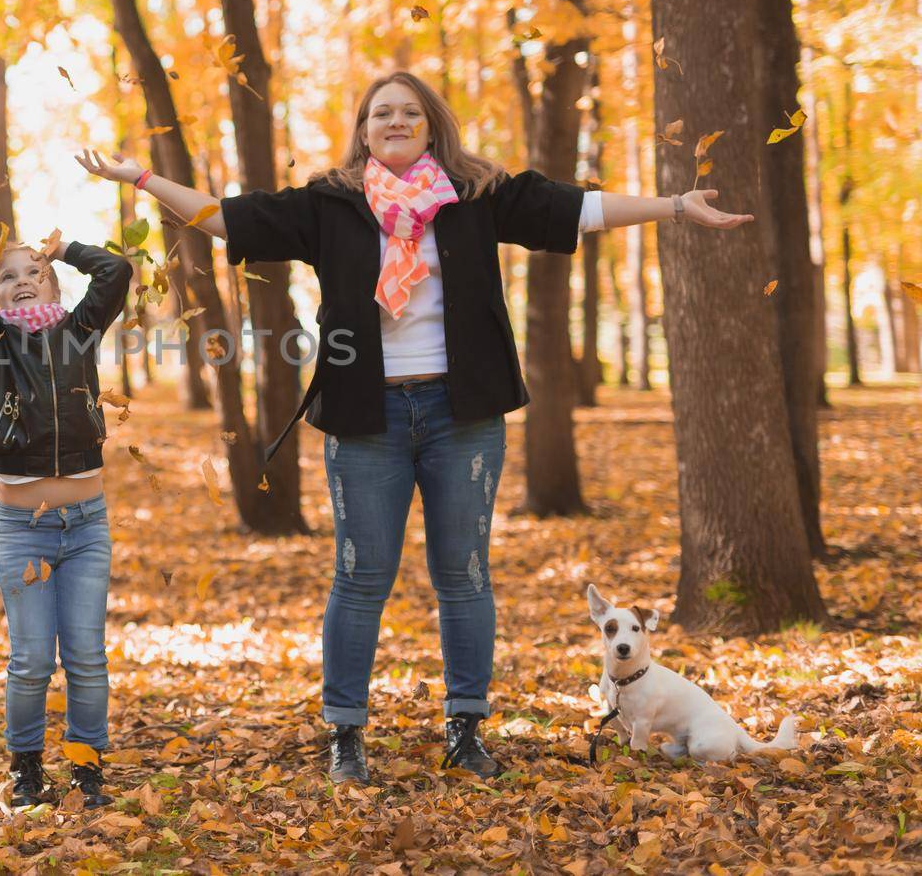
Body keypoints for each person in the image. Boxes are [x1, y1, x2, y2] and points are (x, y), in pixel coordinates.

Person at [74, 71, 751, 783]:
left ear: (431, 126)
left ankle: (465, 728)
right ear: (364, 129)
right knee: (359, 577)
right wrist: (143, 178)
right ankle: (346, 734)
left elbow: (579, 209)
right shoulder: (331, 204)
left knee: (463, 574)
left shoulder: (477, 195)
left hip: (463, 416)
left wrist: (675, 206)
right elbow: (226, 219)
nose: (395, 121)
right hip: (368, 418)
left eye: (409, 111)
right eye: (381, 112)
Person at [0, 226, 131, 807]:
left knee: (86, 657)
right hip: (22, 529)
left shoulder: (80, 332)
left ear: (53, 281)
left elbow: (116, 272)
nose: (23, 281)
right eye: (10, 276)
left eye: (35, 272)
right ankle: (26, 769)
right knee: (29, 661)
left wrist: (64, 247)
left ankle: (86, 767)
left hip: (86, 524)